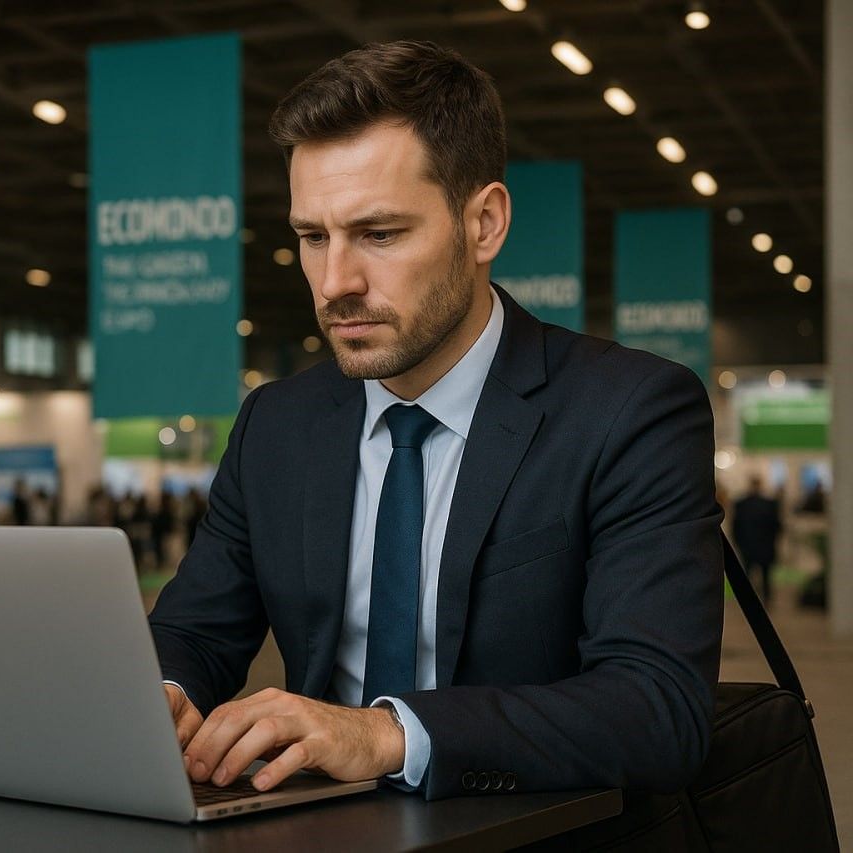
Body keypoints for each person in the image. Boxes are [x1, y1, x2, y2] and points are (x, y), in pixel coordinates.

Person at [150, 41, 722, 804]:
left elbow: (658, 707)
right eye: (313, 237)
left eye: (379, 234)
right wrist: (163, 690)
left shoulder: (629, 410)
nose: (335, 283)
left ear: (484, 223)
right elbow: (195, 630)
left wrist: (386, 733)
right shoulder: (276, 425)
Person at [732, 476, 782, 605]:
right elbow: (777, 526)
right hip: (764, 546)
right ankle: (766, 600)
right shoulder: (769, 504)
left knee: (748, 575)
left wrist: (738, 543)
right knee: (765, 576)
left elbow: (735, 526)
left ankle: (748, 601)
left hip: (748, 545)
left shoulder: (741, 504)